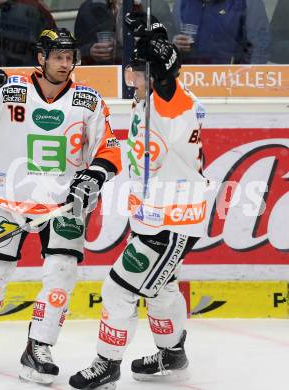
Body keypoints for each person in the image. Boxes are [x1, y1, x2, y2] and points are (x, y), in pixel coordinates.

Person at [0, 27, 121, 384]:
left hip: (63, 206)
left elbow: (110, 148)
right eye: (57, 56)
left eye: (69, 56)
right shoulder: (9, 91)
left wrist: (95, 176)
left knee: (61, 276)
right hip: (10, 201)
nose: (65, 63)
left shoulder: (88, 101)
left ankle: (39, 347)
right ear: (40, 58)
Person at [69, 14, 209, 390]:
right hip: (151, 218)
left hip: (172, 223)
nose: (134, 83)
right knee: (162, 288)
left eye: (139, 75)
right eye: (131, 75)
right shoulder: (146, 100)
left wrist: (163, 70)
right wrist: (155, 33)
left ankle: (107, 363)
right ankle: (173, 356)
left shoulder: (173, 103)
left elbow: (171, 92)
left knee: (118, 288)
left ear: (158, 76)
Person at [172, 0, 270, 64]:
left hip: (230, 80)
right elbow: (170, 39)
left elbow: (259, 47)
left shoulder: (247, 2)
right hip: (192, 78)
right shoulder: (181, 3)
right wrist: (175, 45)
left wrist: (246, 77)